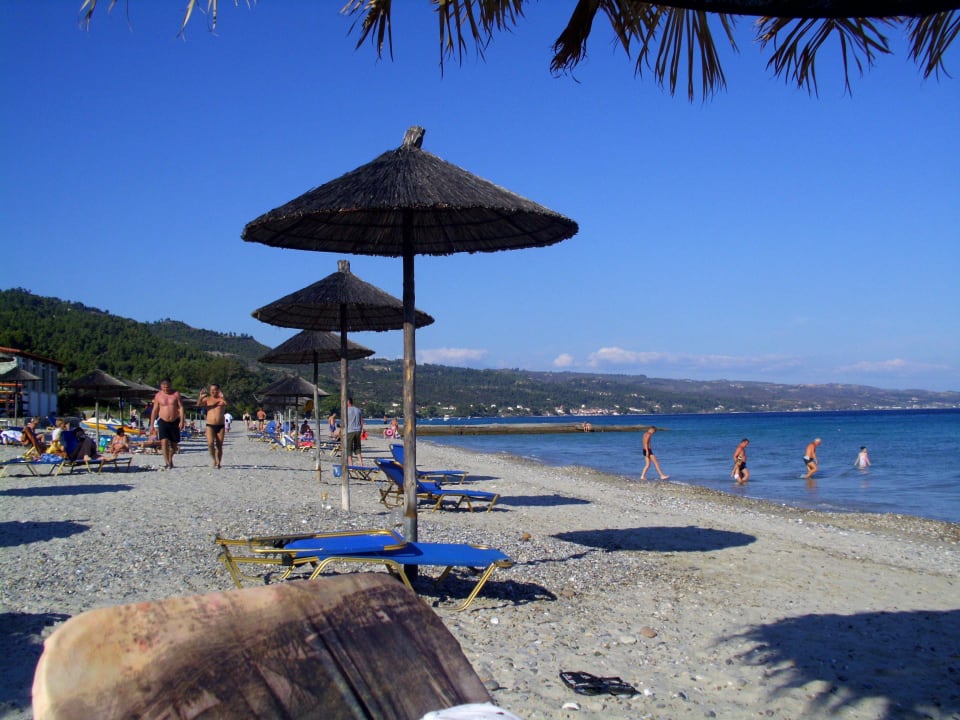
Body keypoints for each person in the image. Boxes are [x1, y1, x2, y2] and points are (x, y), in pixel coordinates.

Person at [150, 378, 184, 470]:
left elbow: (180, 408)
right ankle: (167, 462)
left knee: (174, 445)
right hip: (163, 420)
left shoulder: (176, 394)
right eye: (164, 388)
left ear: (171, 385)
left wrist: (182, 421)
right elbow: (155, 410)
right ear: (161, 387)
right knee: (164, 441)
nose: (166, 389)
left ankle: (170, 458)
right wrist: (152, 425)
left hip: (175, 420)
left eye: (167, 387)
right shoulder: (158, 396)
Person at [197, 384, 227, 468]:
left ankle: (219, 462)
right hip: (210, 425)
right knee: (210, 443)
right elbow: (198, 405)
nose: (212, 391)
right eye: (211, 390)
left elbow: (227, 403)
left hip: (220, 425)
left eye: (214, 390)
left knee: (219, 445)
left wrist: (223, 397)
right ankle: (214, 459)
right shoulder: (207, 399)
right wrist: (200, 397)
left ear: (218, 390)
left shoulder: (222, 400)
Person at [346, 397, 364, 466]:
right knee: (357, 447)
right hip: (358, 430)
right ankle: (361, 463)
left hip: (350, 430)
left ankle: (351, 465)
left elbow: (345, 422)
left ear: (348, 402)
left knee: (349, 448)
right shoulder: (358, 410)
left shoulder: (346, 410)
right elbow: (361, 421)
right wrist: (362, 430)